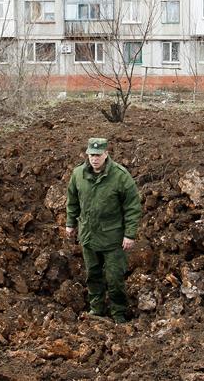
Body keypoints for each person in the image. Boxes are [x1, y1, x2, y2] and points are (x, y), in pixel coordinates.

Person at [66, 138, 141, 324]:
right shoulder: (78, 174)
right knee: (93, 274)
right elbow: (72, 201)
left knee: (115, 278)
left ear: (106, 154)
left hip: (113, 238)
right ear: (87, 155)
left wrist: (129, 234)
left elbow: (132, 206)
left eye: (98, 155)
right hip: (89, 236)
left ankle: (119, 313)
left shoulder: (120, 176)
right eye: (91, 155)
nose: (94, 159)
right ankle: (96, 309)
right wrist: (70, 223)